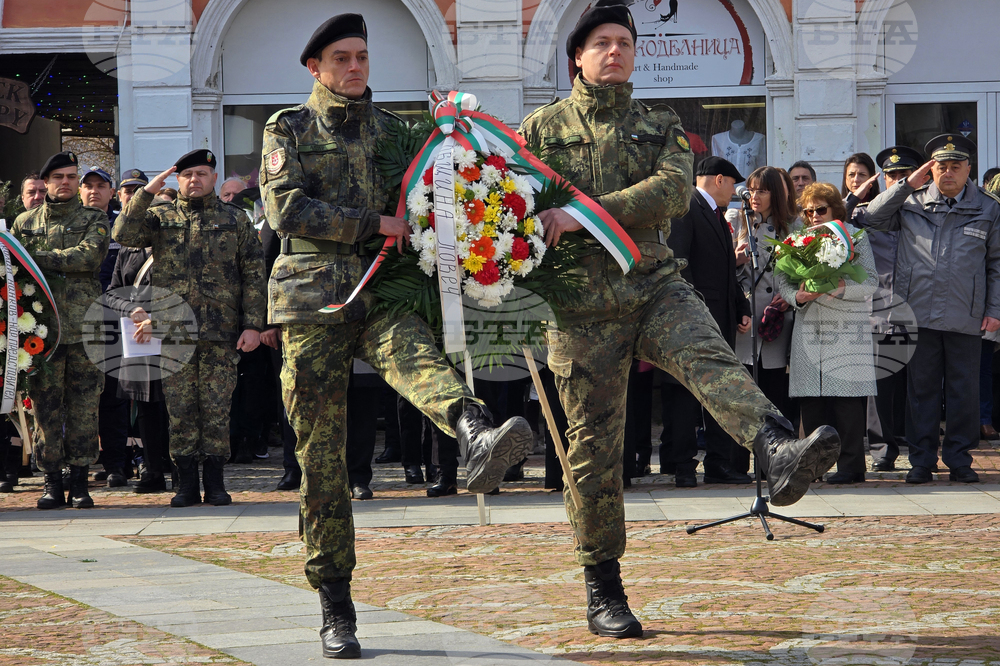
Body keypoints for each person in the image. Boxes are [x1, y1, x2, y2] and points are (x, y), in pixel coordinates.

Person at [518, 0, 839, 639]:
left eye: (625, 43)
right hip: (579, 310)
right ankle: (603, 588)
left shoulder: (658, 122)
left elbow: (671, 192)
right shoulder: (538, 132)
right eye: (602, 43)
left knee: (711, 360)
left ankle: (776, 448)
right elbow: (513, 202)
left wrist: (579, 211)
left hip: (654, 285)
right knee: (592, 455)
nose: (615, 52)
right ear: (577, 57)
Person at [259, 14, 534, 659]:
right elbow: (285, 210)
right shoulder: (288, 128)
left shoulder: (393, 131)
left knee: (419, 362)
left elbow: (429, 195)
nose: (355, 67)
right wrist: (372, 221)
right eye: (341, 58)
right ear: (315, 68)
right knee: (320, 458)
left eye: (362, 56)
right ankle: (336, 604)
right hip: (311, 300)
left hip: (384, 288)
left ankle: (474, 430)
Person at [114, 148, 266, 507]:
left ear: (214, 178)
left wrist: (253, 325)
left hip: (220, 331)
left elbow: (254, 276)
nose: (194, 180)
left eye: (201, 174)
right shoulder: (159, 217)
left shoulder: (235, 219)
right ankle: (184, 483)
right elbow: (123, 233)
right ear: (177, 179)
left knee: (215, 409)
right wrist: (147, 191)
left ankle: (215, 482)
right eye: (187, 175)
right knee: (180, 411)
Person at [864, 134, 1000, 484]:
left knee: (963, 391)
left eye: (956, 166)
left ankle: (959, 459)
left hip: (966, 314)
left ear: (969, 169)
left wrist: (995, 308)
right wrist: (905, 185)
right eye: (942, 167)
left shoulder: (989, 207)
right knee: (920, 392)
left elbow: (997, 264)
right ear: (930, 169)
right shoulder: (910, 202)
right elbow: (871, 218)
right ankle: (921, 460)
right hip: (917, 312)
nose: (949, 173)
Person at [12, 151, 111, 509]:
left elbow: (88, 257)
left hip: (85, 329)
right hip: (41, 334)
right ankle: (52, 482)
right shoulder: (24, 222)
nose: (66, 183)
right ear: (47, 182)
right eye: (59, 177)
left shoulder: (94, 218)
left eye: (72, 177)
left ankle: (80, 482)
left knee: (85, 408)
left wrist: (36, 258)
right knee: (46, 410)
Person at [777, 183, 878, 483]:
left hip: (844, 329)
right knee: (812, 401)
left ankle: (852, 467)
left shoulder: (855, 237)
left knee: (846, 402)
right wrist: (797, 296)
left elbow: (871, 282)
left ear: (835, 209)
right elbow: (783, 281)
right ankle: (815, 468)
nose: (814, 216)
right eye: (808, 211)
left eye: (821, 209)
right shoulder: (796, 239)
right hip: (809, 328)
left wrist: (842, 288)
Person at [664, 156, 752, 486]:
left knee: (720, 392)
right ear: (719, 180)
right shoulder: (686, 208)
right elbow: (680, 265)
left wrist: (739, 305)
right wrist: (691, 314)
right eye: (732, 183)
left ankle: (719, 462)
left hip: (720, 319)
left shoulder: (716, 213)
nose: (734, 190)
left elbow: (724, 268)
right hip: (693, 322)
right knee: (686, 395)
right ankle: (684, 465)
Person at [853, 146, 923, 471]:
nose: (898, 180)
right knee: (880, 388)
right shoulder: (866, 211)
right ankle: (883, 451)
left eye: (904, 174)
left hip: (921, 307)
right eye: (892, 175)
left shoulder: (927, 212)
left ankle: (923, 452)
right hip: (881, 309)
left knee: (921, 385)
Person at [104, 168, 173, 493]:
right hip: (138, 332)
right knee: (145, 402)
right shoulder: (127, 249)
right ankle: (153, 470)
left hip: (174, 327)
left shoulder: (173, 243)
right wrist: (133, 310)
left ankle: (180, 466)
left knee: (176, 400)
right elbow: (114, 291)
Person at [734, 167, 799, 439]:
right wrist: (736, 260)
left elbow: (803, 272)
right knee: (742, 393)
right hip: (746, 317)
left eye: (762, 190)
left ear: (776, 193)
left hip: (777, 319)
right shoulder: (740, 221)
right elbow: (727, 273)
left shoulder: (794, 225)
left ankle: (776, 458)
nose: (754, 196)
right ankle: (737, 465)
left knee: (775, 393)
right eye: (751, 190)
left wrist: (788, 295)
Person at [80, 166, 133, 488]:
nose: (94, 191)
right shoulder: (70, 225)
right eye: (89, 186)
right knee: (78, 398)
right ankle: (79, 466)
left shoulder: (121, 228)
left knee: (114, 397)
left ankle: (116, 463)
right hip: (74, 323)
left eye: (101, 186)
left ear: (112, 192)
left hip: (113, 322)